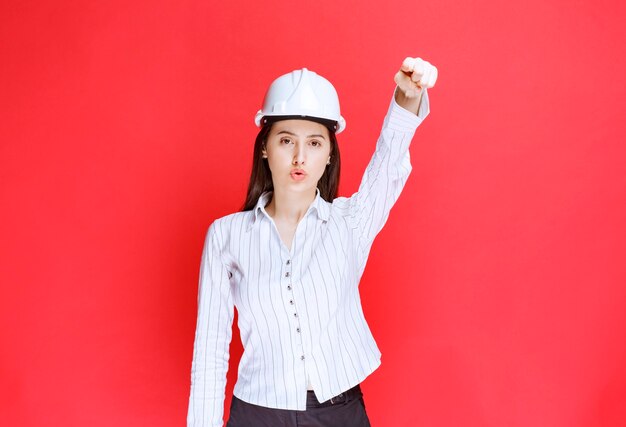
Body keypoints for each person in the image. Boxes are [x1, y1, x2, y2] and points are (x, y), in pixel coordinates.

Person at [187, 56, 438, 427]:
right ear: (265, 148)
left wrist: (407, 97)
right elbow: (210, 349)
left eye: (315, 143)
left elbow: (388, 162)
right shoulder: (227, 235)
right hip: (257, 414)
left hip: (340, 413)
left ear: (329, 153)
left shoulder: (350, 223)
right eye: (286, 140)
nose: (300, 157)